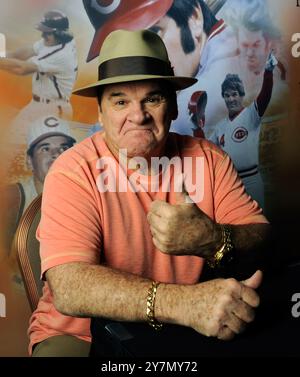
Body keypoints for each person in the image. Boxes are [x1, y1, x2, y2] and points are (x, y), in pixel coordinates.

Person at [29, 29, 270, 357]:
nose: (138, 115)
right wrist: (183, 303)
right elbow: (70, 289)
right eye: (120, 101)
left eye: (152, 98)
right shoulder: (73, 170)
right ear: (100, 113)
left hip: (183, 329)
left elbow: (261, 240)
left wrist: (213, 239)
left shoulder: (209, 160)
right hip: (80, 336)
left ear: (172, 107)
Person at [82, 0, 238, 134]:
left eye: (154, 34)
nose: (140, 60)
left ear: (194, 16)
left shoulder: (233, 62)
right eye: (122, 45)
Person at [208, 52, 277, 209]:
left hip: (252, 181)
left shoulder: (251, 114)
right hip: (231, 183)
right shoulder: (220, 127)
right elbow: (205, 147)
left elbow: (264, 96)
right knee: (238, 228)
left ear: (241, 95)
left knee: (259, 227)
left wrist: (268, 71)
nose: (231, 99)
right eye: (227, 95)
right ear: (223, 98)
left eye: (234, 94)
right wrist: (196, 125)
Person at [3, 115, 76, 256]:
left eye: (64, 148)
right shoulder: (11, 199)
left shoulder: (84, 198)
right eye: (45, 149)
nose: (56, 154)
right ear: (29, 161)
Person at [0, 9, 78, 141]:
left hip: (54, 109)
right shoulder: (52, 41)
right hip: (36, 105)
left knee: (44, 151)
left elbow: (22, 69)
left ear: (59, 34)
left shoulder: (62, 54)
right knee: (10, 141)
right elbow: (20, 54)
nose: (43, 36)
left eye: (47, 33)